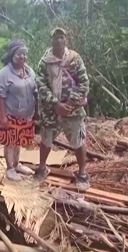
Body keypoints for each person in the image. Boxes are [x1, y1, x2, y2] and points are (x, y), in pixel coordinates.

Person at [34, 28, 91, 191]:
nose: (59, 40)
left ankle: (82, 173)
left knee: (78, 142)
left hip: (73, 112)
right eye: (55, 38)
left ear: (66, 40)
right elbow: (40, 84)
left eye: (61, 37)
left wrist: (70, 104)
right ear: (51, 40)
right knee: (46, 141)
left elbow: (84, 83)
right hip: (51, 111)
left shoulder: (74, 59)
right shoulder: (45, 61)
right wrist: (56, 104)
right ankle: (42, 168)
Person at [0, 40, 38, 181]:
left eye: (25, 54)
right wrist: (3, 117)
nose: (22, 57)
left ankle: (17, 164)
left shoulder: (30, 71)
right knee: (10, 142)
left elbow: (35, 90)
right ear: (12, 55)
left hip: (25, 115)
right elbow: (0, 95)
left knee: (19, 140)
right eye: (19, 54)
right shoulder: (5, 73)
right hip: (9, 115)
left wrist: (36, 111)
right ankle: (10, 168)